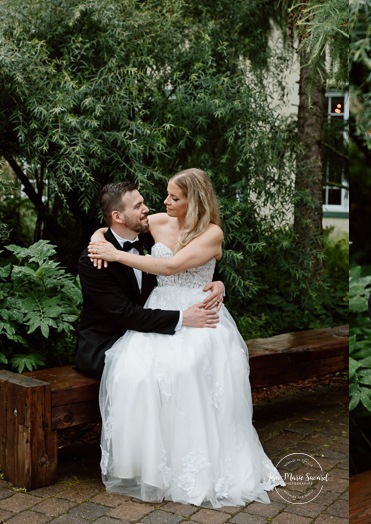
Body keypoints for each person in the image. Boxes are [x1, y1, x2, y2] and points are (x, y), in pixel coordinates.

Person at [87, 168, 283, 507]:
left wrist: (218, 284)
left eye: (174, 197)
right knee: (139, 372)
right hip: (160, 312)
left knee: (191, 368)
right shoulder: (159, 223)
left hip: (200, 315)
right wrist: (97, 237)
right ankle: (151, 465)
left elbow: (171, 267)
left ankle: (198, 463)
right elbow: (118, 224)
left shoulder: (212, 233)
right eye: (165, 196)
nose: (163, 202)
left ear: (194, 200)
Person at [75, 181, 224, 378]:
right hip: (108, 342)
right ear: (117, 216)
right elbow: (125, 314)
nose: (146, 209)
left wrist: (219, 283)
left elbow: (190, 264)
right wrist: (182, 317)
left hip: (150, 333)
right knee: (158, 372)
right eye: (138, 206)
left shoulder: (150, 238)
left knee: (196, 361)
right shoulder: (94, 259)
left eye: (142, 203)